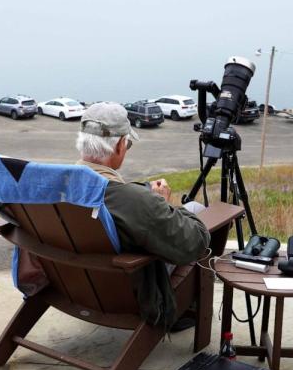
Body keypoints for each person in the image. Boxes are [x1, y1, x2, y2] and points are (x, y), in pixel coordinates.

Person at [75, 102, 210, 328]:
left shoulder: (59, 186)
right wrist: (162, 204)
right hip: (129, 288)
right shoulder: (136, 201)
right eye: (127, 144)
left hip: (79, 285)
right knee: (196, 210)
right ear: (119, 146)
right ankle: (188, 309)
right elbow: (194, 243)